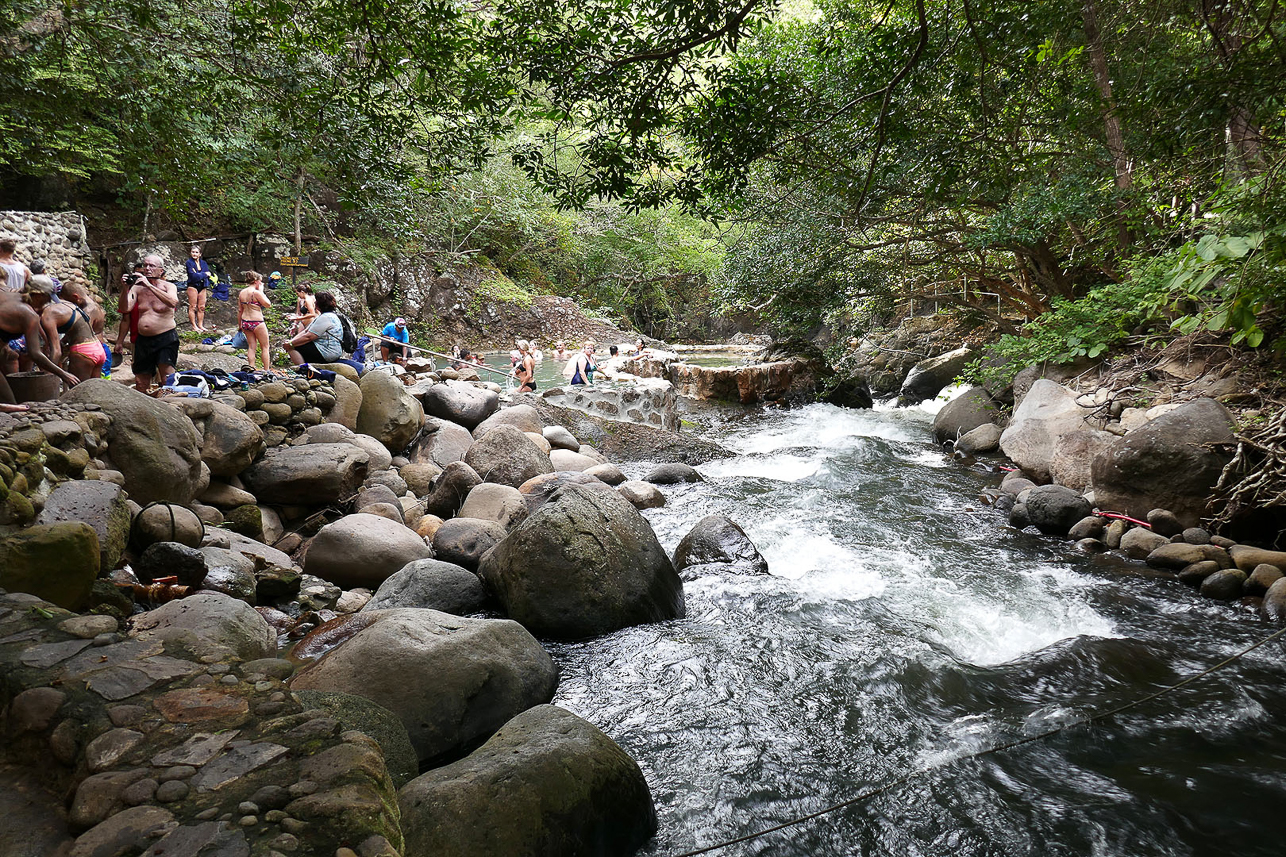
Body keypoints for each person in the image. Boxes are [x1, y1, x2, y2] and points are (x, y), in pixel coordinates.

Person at [0, 287, 79, 408]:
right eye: (47, 299)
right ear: (38, 296)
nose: (49, 304)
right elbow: (35, 354)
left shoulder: (9, 296)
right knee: (11, 404)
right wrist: (63, 374)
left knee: (11, 401)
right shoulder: (28, 314)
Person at [29, 276, 104, 382]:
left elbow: (56, 351)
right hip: (97, 348)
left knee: (79, 392)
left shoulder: (48, 315)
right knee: (96, 390)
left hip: (82, 352)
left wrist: (49, 375)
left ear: (37, 296)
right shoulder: (68, 304)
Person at [124, 254, 180, 393]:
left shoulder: (169, 286)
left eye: (151, 266)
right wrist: (124, 289)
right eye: (145, 265)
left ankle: (170, 408)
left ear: (161, 271)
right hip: (143, 339)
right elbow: (126, 308)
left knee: (167, 378)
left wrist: (149, 285)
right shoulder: (137, 288)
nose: (147, 268)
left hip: (165, 337)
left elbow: (173, 302)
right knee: (140, 381)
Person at [60, 282, 111, 378]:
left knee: (80, 388)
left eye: (69, 302)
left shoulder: (88, 310)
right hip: (99, 349)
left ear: (75, 297)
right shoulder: (94, 306)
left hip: (87, 351)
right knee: (97, 388)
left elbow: (81, 330)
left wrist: (63, 342)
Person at [286, 290, 344, 365]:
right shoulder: (329, 316)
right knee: (294, 344)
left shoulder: (325, 318)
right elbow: (306, 331)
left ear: (318, 304)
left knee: (294, 347)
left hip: (328, 352)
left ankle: (303, 369)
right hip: (333, 350)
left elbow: (309, 337)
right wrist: (291, 341)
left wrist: (291, 344)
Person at [237, 271, 273, 371]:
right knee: (265, 347)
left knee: (252, 347)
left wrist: (240, 325)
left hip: (245, 321)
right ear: (256, 282)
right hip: (257, 322)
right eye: (260, 282)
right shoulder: (256, 293)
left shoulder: (242, 293)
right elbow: (268, 304)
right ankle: (267, 371)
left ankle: (251, 368)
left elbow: (240, 310)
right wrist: (261, 291)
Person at [114, 261, 146, 361]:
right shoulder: (128, 294)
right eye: (136, 275)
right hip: (136, 339)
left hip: (156, 339)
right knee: (140, 371)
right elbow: (125, 320)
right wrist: (119, 342)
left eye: (142, 274)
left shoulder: (157, 291)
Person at [184, 245, 212, 332]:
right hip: (193, 285)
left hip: (203, 286)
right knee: (193, 306)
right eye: (193, 252)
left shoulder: (203, 263)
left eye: (196, 252)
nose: (194, 254)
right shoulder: (189, 263)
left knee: (202, 307)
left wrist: (200, 275)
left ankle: (200, 325)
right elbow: (193, 276)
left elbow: (207, 274)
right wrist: (204, 274)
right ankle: (194, 326)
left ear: (200, 254)